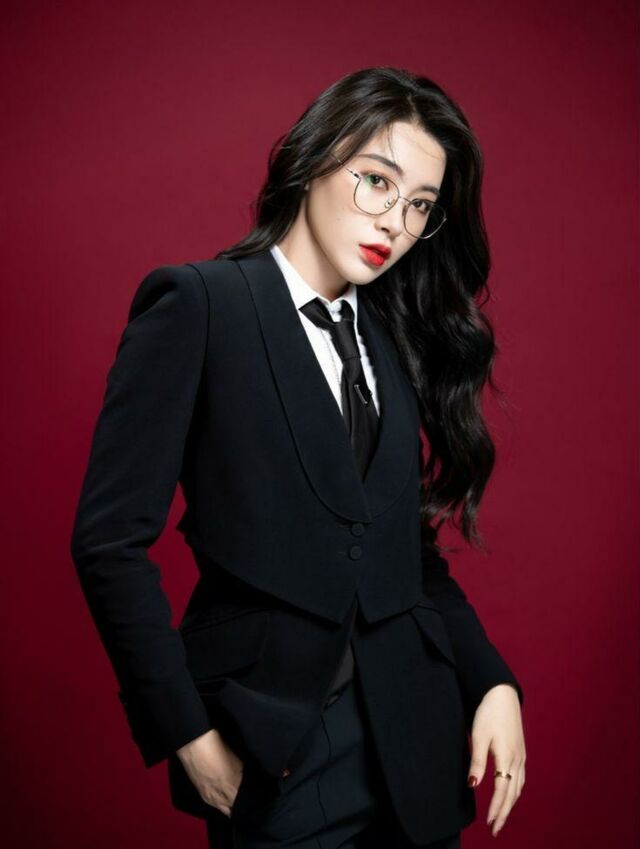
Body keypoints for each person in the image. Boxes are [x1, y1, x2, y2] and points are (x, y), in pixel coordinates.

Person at [70, 66, 526, 849]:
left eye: (420, 205)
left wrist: (492, 681)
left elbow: (403, 557)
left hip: (416, 751)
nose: (395, 222)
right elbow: (108, 542)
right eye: (376, 181)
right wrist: (189, 737)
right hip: (275, 756)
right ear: (315, 158)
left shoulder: (391, 339)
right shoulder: (200, 306)